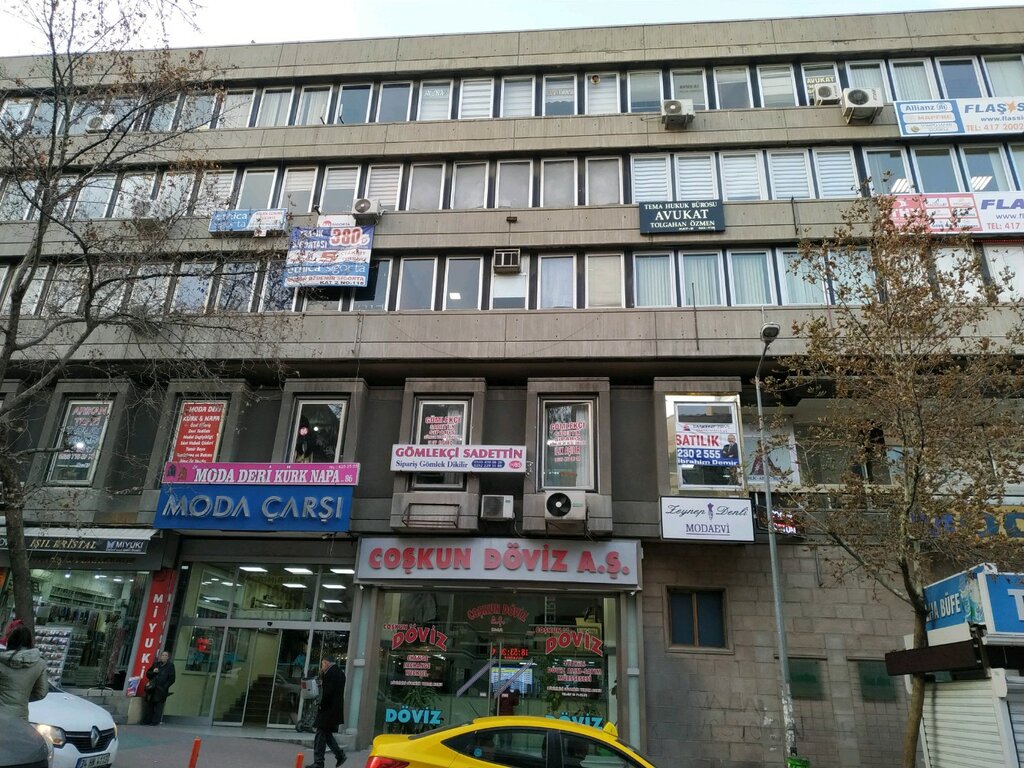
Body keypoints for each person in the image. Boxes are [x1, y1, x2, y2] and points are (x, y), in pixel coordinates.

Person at [0, 624, 49, 720]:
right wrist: (22, 697)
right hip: (20, 716)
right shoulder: (39, 663)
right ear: (29, 641)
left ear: (10, 640)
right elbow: (41, 692)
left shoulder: (2, 660)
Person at [308, 656, 346, 768]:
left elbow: (327, 692)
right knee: (326, 734)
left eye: (322, 664)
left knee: (320, 735)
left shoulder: (330, 674)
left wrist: (320, 704)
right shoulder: (340, 673)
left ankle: (319, 762)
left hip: (327, 709)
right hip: (334, 709)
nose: (322, 667)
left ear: (327, 663)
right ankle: (340, 755)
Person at [141, 650, 176, 725]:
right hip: (152, 688)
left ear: (168, 657)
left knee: (159, 706)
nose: (164, 657)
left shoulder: (170, 666)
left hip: (161, 689)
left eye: (165, 655)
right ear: (160, 657)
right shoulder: (156, 664)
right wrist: (153, 672)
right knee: (150, 705)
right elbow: (148, 674)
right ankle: (147, 720)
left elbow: (172, 679)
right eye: (162, 655)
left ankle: (154, 721)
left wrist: (165, 686)